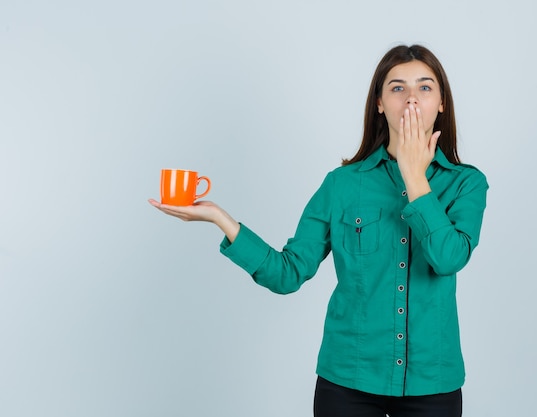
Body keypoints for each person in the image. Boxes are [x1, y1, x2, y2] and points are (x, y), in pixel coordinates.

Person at [149, 44, 488, 417]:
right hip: (348, 382)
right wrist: (219, 218)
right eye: (397, 88)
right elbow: (287, 273)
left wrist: (413, 174)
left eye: (424, 87)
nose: (411, 99)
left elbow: (448, 258)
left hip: (433, 382)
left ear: (441, 102)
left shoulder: (467, 184)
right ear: (378, 103)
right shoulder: (341, 185)